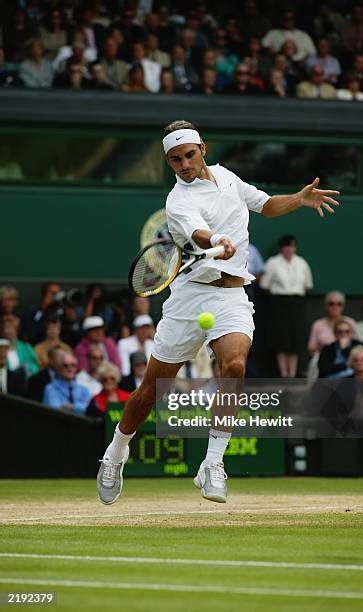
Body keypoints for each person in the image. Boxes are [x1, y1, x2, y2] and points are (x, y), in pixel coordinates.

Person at [97, 119, 340, 505]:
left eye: (189, 155)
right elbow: (198, 233)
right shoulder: (178, 201)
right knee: (150, 391)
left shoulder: (228, 177)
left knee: (235, 366)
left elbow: (265, 205)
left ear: (203, 150)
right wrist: (217, 239)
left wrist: (298, 199)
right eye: (175, 159)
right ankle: (116, 452)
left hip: (232, 296)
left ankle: (212, 462)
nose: (183, 164)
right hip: (189, 299)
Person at [260, 235, 313, 378]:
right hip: (279, 303)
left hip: (297, 302)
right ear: (281, 248)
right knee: (281, 337)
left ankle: (292, 373)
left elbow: (308, 285)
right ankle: (284, 374)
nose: (289, 249)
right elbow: (265, 285)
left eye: (292, 246)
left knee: (296, 337)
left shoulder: (301, 263)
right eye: (286, 246)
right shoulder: (273, 263)